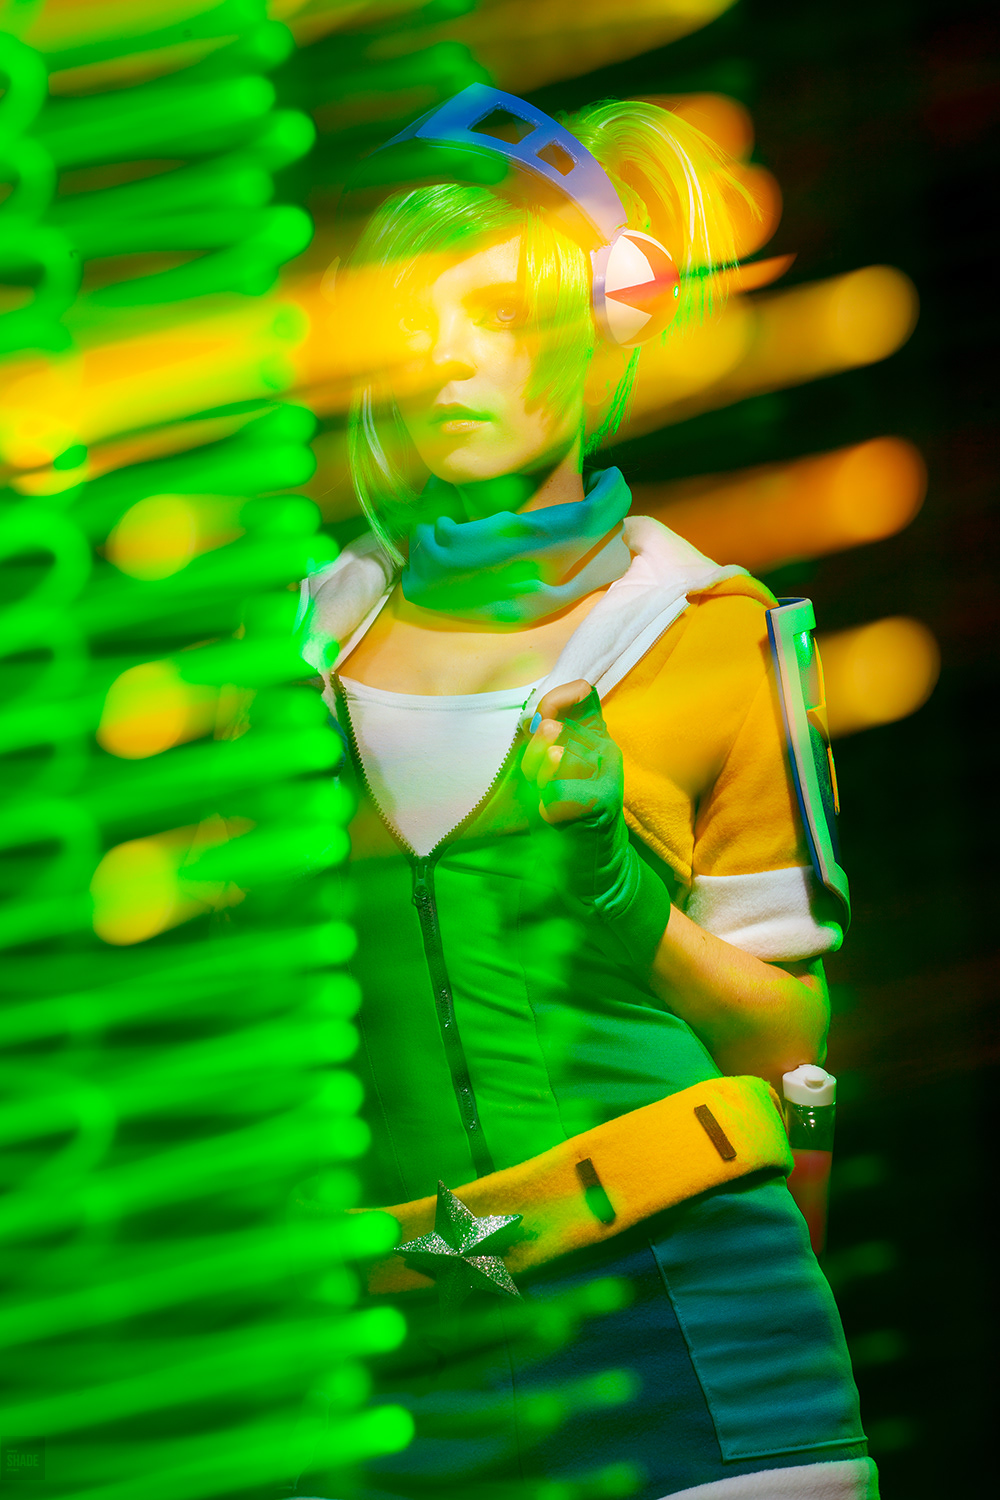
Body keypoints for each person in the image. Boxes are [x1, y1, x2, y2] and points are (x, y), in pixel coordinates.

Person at [297, 87, 876, 1500]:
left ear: (611, 318)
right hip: (402, 1361)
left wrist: (622, 900)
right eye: (408, 319)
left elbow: (794, 1046)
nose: (444, 361)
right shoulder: (303, 642)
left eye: (497, 314)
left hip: (693, 1319)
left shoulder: (710, 629)